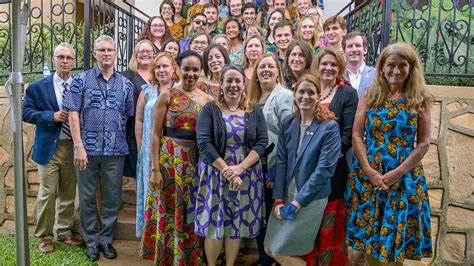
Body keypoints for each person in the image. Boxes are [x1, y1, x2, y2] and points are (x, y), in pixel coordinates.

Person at [345, 42, 433, 264]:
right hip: (368, 179)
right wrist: (368, 170)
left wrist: (398, 172)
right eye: (390, 65)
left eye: (402, 65)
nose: (396, 71)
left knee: (395, 246)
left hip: (403, 181)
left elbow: (423, 143)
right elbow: (356, 135)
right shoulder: (369, 96)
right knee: (368, 244)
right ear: (382, 68)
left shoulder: (419, 99)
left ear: (411, 68)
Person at [63, 35, 135, 261]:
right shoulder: (80, 81)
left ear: (116, 54)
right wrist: (78, 146)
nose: (106, 54)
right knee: (86, 198)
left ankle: (106, 240)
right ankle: (91, 241)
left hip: (115, 150)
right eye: (101, 50)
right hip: (87, 150)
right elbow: (73, 113)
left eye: (110, 50)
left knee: (112, 198)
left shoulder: (126, 84)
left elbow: (129, 116)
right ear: (94, 54)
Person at [189, 64, 268, 266]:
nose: (233, 85)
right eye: (228, 81)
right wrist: (228, 171)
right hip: (216, 174)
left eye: (237, 81)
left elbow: (261, 143)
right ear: (221, 84)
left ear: (244, 84)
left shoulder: (255, 110)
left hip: (246, 175)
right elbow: (204, 143)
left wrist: (240, 169)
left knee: (236, 225)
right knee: (215, 225)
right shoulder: (210, 110)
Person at [141, 50, 213, 264]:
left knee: (191, 209)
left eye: (195, 70)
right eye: (186, 69)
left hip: (196, 162)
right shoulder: (168, 95)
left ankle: (189, 258)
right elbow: (155, 134)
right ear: (178, 69)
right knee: (170, 210)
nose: (191, 73)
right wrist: (155, 169)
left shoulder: (208, 100)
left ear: (201, 72)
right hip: (169, 161)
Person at [264, 74, 341, 266]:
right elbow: (281, 162)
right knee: (269, 248)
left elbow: (324, 170)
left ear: (318, 96)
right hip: (286, 194)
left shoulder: (329, 127)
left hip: (310, 198)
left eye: (311, 92)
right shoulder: (288, 123)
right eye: (301, 91)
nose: (305, 96)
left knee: (279, 250)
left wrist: (297, 203)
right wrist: (279, 200)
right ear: (294, 95)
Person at [22, 42, 81, 253]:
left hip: (73, 147)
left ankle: (64, 231)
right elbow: (25, 113)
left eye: (69, 58)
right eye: (61, 57)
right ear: (54, 58)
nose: (65, 61)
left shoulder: (79, 85)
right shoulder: (38, 86)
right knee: (47, 193)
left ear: (74, 61)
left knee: (67, 192)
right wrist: (50, 117)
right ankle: (44, 236)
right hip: (49, 148)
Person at [310, 47, 358, 265]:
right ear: (317, 66)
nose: (328, 68)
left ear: (340, 67)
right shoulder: (309, 89)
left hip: (333, 169)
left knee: (329, 218)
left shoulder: (347, 93)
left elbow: (349, 133)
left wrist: (327, 160)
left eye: (333, 64)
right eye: (324, 64)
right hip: (306, 168)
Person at [247, 53, 293, 266]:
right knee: (258, 217)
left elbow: (289, 136)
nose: (265, 70)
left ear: (278, 71)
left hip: (271, 168)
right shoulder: (251, 99)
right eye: (261, 66)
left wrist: (275, 173)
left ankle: (271, 261)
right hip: (253, 167)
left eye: (270, 66)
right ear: (255, 73)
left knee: (271, 220)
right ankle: (263, 259)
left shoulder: (284, 96)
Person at [135, 52, 180, 238]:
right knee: (150, 190)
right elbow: (139, 121)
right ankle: (150, 235)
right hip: (148, 151)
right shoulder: (147, 90)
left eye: (165, 66)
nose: (161, 70)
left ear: (173, 69)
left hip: (172, 149)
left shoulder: (179, 90)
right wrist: (140, 148)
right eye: (158, 67)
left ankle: (167, 235)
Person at [121, 40, 155, 180]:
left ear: (154, 54)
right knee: (139, 171)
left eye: (148, 51)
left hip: (157, 128)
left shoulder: (158, 73)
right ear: (135, 54)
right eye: (141, 51)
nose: (145, 54)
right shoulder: (126, 76)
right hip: (134, 130)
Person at [343, 31, 376, 97]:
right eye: (350, 46)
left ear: (365, 50)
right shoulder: (338, 76)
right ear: (344, 51)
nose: (354, 49)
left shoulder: (376, 74)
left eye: (358, 45)